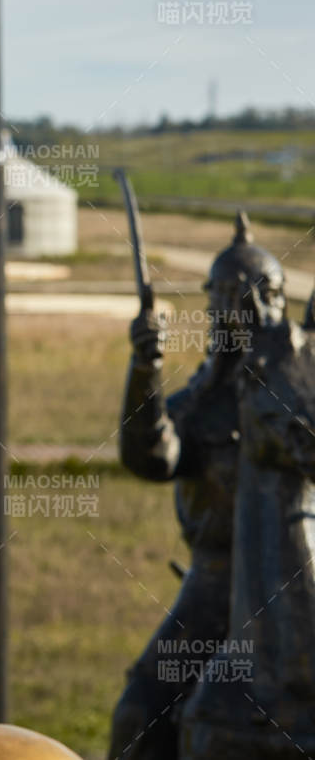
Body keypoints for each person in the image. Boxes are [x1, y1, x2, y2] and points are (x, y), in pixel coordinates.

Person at [108, 212, 286, 760]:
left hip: (289, 583)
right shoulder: (200, 404)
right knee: (141, 712)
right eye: (226, 303)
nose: (240, 316)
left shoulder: (299, 397)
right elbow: (152, 457)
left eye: (254, 301)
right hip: (213, 587)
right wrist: (146, 367)